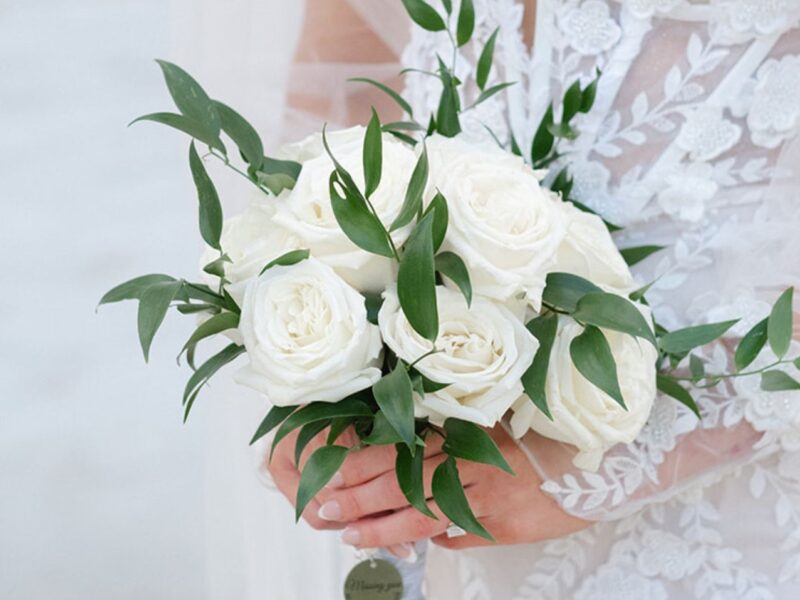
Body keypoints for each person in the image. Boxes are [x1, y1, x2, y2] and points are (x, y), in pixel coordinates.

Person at [212, 0, 800, 597]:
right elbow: (331, 134)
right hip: (458, 531)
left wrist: (609, 467)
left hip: (728, 522)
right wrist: (324, 380)